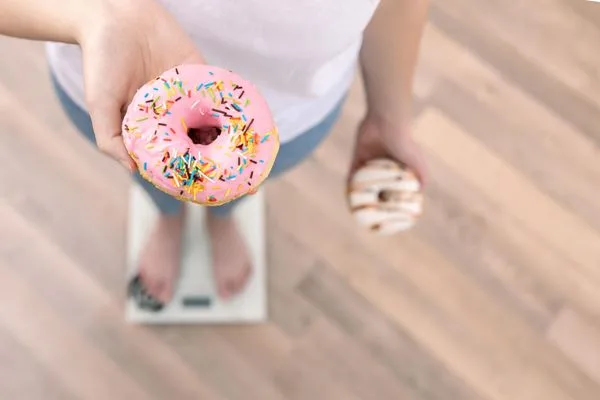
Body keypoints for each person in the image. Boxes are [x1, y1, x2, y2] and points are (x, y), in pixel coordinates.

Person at [1, 0, 428, 304]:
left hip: (291, 112)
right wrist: (91, 12)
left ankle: (222, 220)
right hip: (117, 87)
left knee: (242, 188)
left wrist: (389, 115)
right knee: (148, 179)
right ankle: (167, 218)